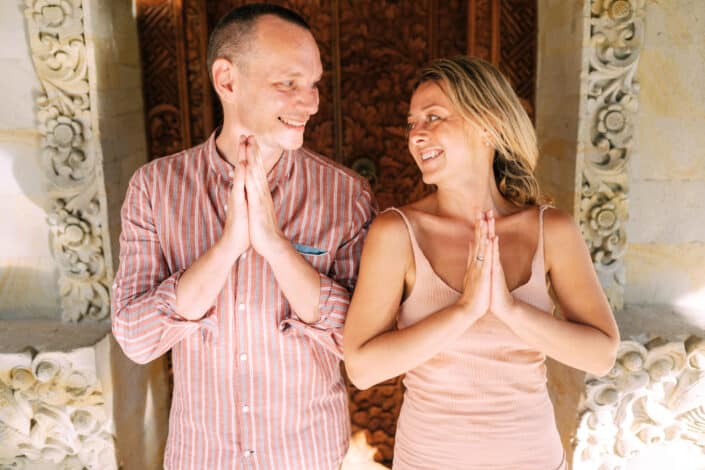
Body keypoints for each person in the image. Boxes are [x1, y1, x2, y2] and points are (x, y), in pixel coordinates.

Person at [111, 4, 375, 469]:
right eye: (288, 84)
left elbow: (358, 342)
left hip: (308, 456)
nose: (311, 102)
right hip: (201, 457)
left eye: (312, 84)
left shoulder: (346, 195)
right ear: (227, 81)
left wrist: (275, 246)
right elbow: (136, 338)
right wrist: (227, 248)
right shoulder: (154, 188)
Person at [343, 56, 620, 469]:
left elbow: (601, 355)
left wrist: (508, 309)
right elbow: (362, 369)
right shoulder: (397, 232)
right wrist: (465, 310)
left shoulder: (551, 229)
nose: (416, 134)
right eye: (411, 123)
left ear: (488, 124)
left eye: (433, 117)